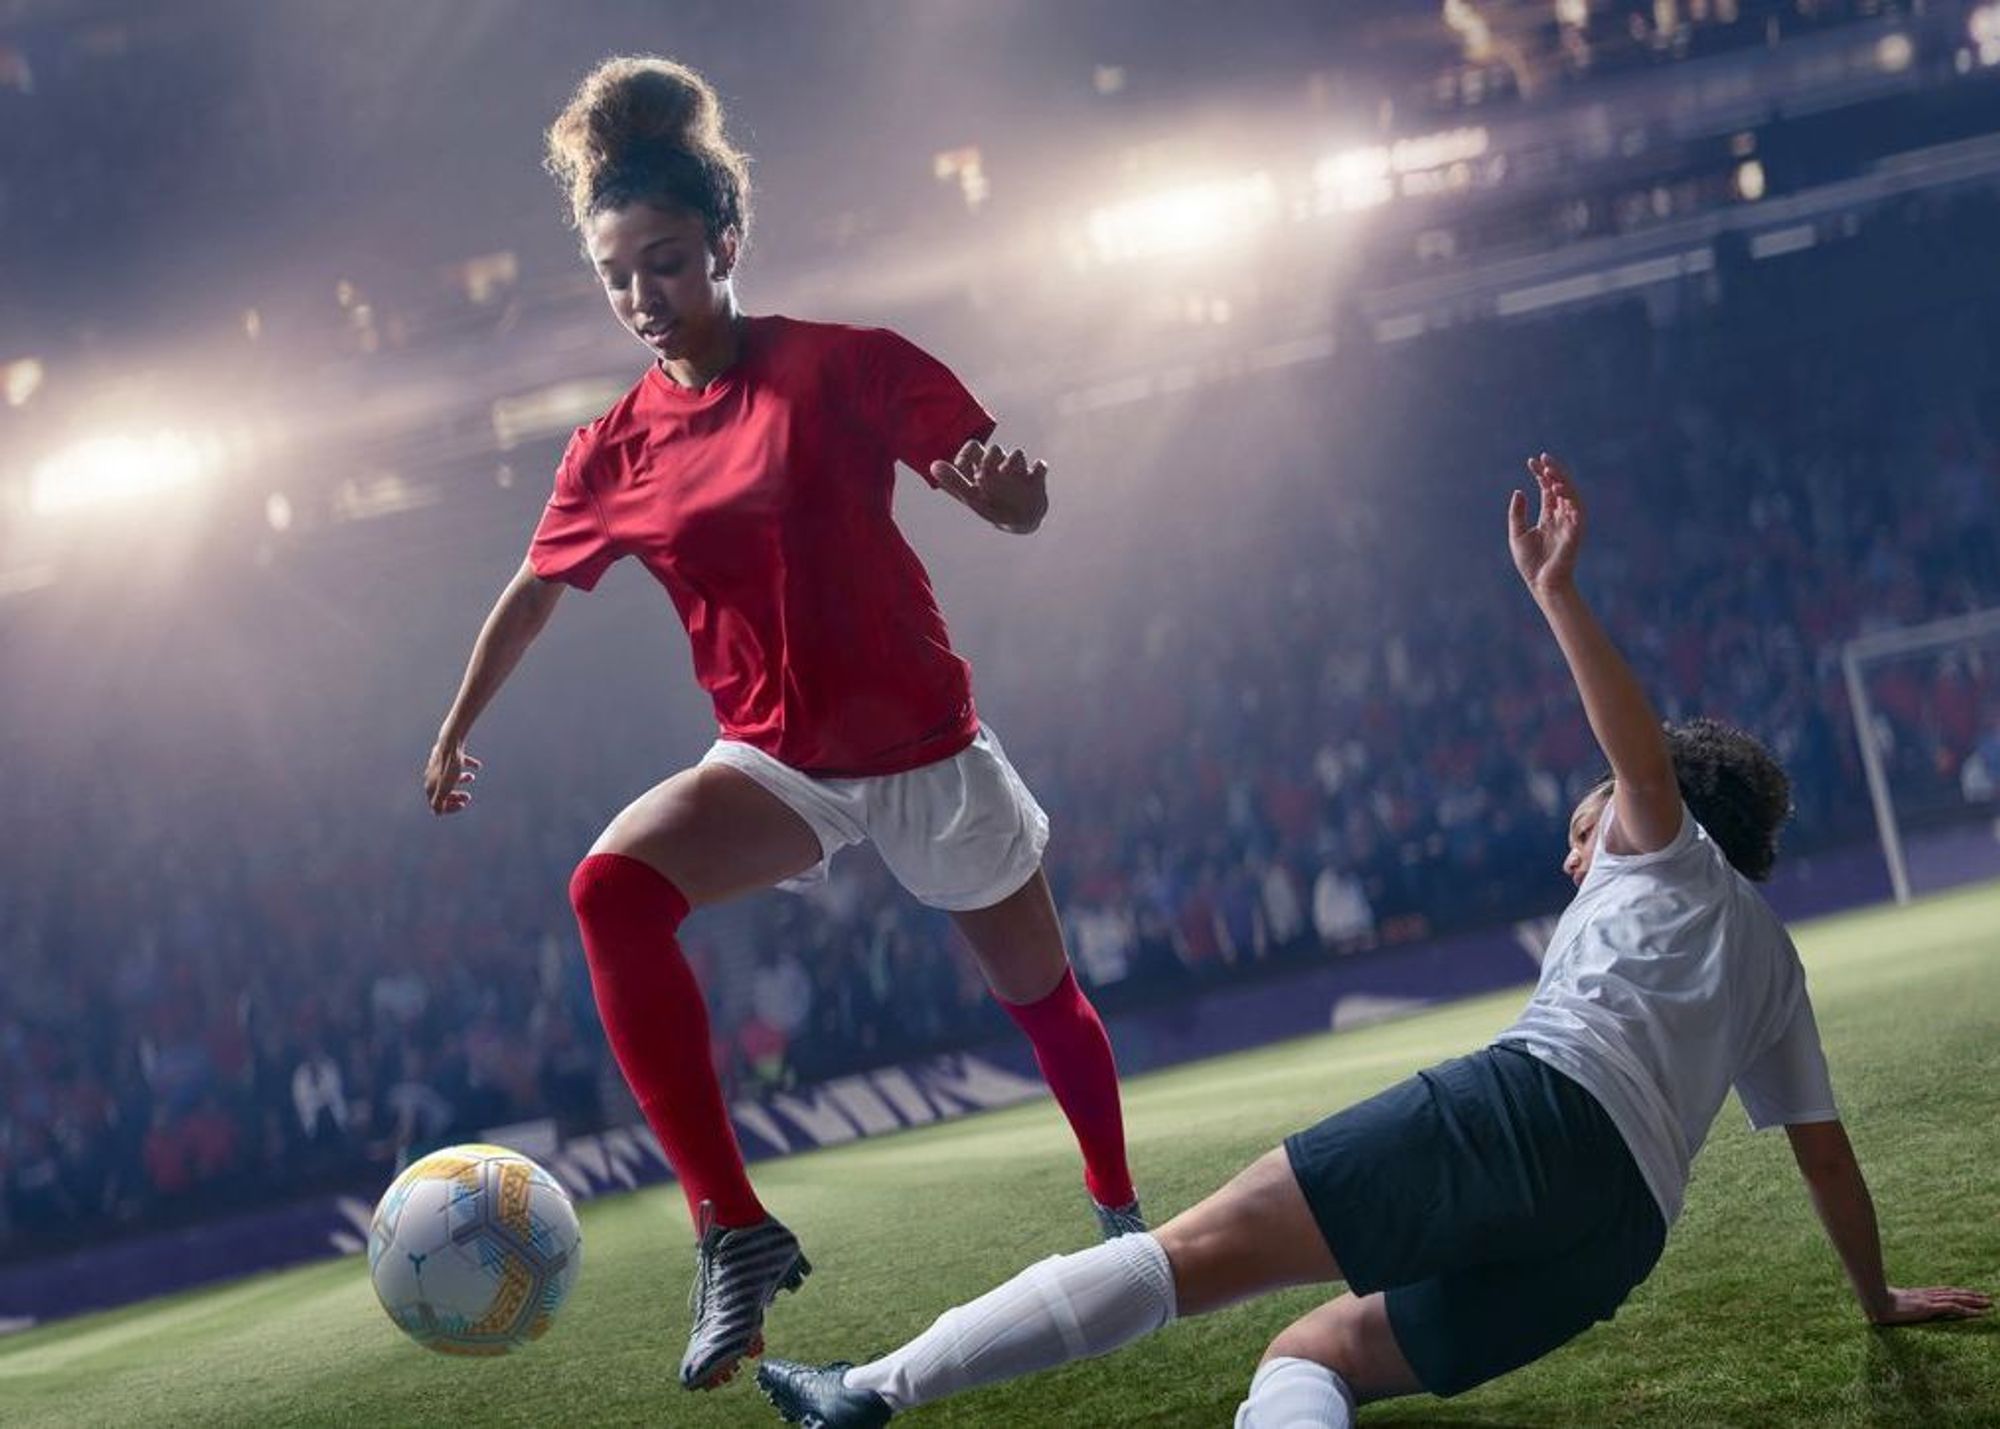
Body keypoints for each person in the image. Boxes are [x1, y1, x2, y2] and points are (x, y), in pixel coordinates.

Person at [757, 454, 1990, 1427]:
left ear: (1640, 797)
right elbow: (1822, 1159)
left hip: (1528, 1114)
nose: (1576, 855)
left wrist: (1555, 592)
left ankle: (870, 1389)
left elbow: (1629, 748)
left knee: (1181, 1257)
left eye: (1584, 825)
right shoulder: (1774, 962)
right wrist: (1874, 1296)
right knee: (1313, 1351)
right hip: (1616, 1238)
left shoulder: (1660, 837)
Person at [420, 55, 1141, 1392]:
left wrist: (1011, 503)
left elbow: (1001, 487)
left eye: (670, 262)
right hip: (778, 765)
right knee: (610, 890)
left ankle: (1116, 1209)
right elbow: (533, 594)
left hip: (928, 752)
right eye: (620, 275)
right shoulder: (611, 453)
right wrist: (459, 723)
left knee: (1042, 1002)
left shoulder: (845, 367)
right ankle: (735, 1229)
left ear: (727, 243)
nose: (646, 296)